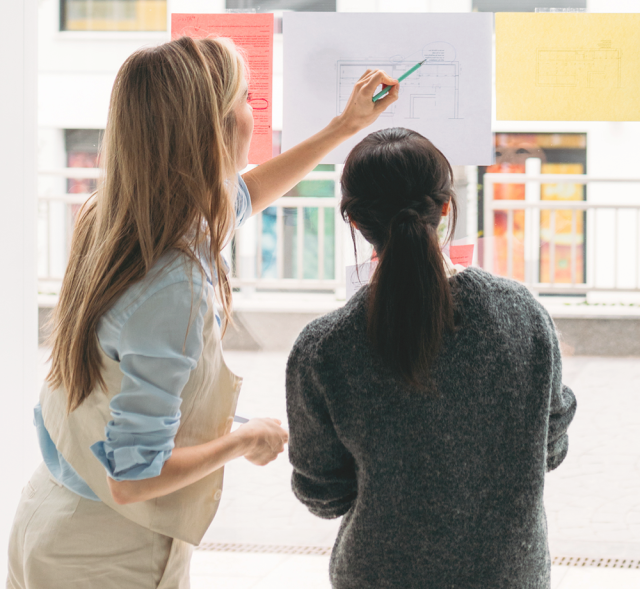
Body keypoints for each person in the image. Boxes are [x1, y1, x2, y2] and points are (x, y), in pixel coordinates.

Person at [7, 36, 399, 589]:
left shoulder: (122, 215)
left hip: (52, 514)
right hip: (103, 551)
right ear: (209, 130)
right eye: (244, 100)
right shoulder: (176, 284)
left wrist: (344, 127)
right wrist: (246, 439)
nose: (252, 114)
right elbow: (134, 478)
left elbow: (247, 194)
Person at [286, 127, 577, 589]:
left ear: (355, 221)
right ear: (445, 208)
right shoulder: (524, 315)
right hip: (510, 575)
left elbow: (323, 494)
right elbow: (551, 448)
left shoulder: (325, 348)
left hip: (379, 574)